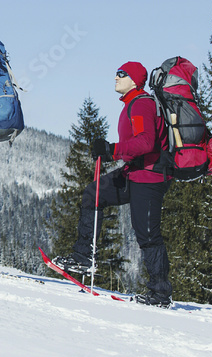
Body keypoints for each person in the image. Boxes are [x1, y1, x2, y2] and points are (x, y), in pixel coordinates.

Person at [52, 61, 173, 307]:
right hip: (134, 173)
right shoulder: (132, 104)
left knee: (148, 235)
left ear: (135, 80)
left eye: (122, 74)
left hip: (150, 176)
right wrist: (112, 151)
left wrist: (112, 149)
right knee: (94, 193)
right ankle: (84, 257)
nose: (116, 77)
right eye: (117, 73)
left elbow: (146, 142)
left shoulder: (140, 105)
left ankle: (160, 293)